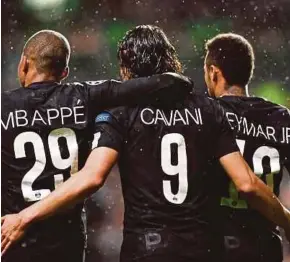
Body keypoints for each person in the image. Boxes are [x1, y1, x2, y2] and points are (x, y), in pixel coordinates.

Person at [2, 25, 290, 262]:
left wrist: (24, 216)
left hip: (144, 247)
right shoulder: (208, 109)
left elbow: (92, 177)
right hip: (203, 246)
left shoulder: (120, 114)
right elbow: (246, 182)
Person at [1, 29, 191, 262]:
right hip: (66, 239)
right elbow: (167, 83)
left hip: (13, 234)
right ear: (64, 72)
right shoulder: (86, 97)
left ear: (23, 64)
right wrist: (183, 80)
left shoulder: (3, 107)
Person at [203, 32, 290, 262]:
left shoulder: (207, 114)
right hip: (265, 246)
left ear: (214, 73)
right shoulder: (280, 117)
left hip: (216, 244)